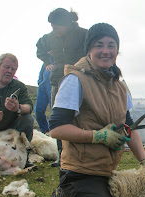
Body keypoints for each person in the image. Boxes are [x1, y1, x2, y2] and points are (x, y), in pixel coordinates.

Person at [48, 23, 145, 197]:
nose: (105, 51)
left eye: (111, 45)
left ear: (117, 50)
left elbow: (130, 127)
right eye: (99, 45)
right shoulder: (75, 80)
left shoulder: (119, 87)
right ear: (89, 50)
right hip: (79, 173)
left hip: (107, 171)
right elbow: (56, 127)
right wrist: (97, 137)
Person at [36, 7, 88, 166]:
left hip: (80, 80)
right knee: (58, 119)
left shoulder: (84, 35)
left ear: (67, 23)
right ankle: (62, 155)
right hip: (57, 80)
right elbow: (39, 47)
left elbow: (93, 52)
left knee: (82, 117)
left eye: (56, 26)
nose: (54, 29)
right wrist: (46, 61)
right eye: (52, 26)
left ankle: (83, 154)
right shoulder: (50, 37)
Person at [34, 63, 52, 133]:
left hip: (54, 83)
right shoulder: (47, 57)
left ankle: (56, 132)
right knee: (38, 110)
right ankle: (45, 129)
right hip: (43, 84)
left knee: (54, 109)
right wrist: (40, 81)